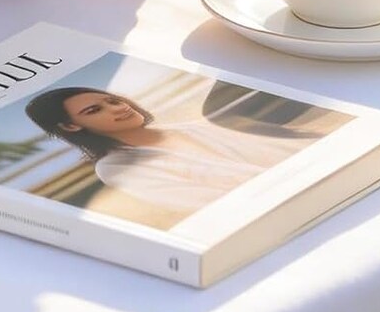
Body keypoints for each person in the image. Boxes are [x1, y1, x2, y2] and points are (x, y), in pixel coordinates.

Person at [24, 85, 322, 217]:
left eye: (113, 100)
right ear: (72, 126)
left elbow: (288, 150)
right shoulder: (115, 167)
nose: (118, 108)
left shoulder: (193, 127)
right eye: (94, 110)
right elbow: (201, 203)